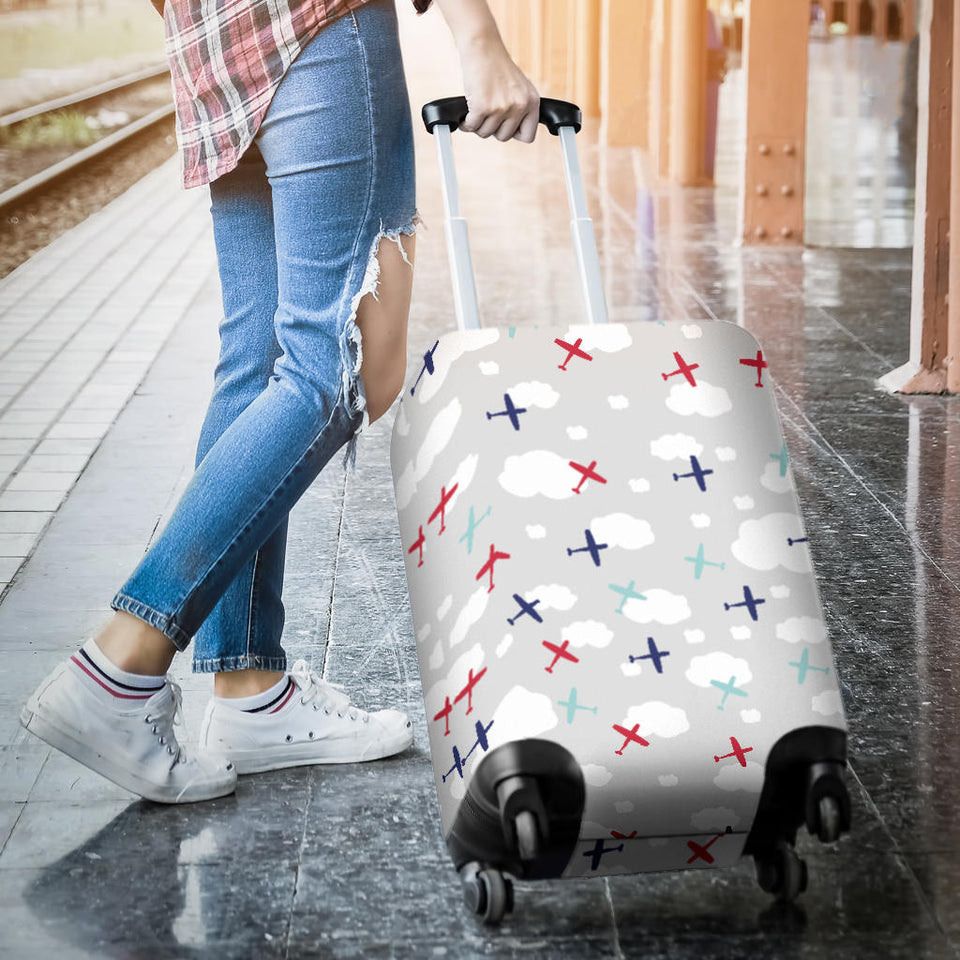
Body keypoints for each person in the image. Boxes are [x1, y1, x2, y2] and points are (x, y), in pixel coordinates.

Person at [20, 0, 539, 803]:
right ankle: (119, 666)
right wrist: (480, 40)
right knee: (339, 368)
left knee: (259, 362)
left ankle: (248, 690)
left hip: (214, 48)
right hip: (320, 26)